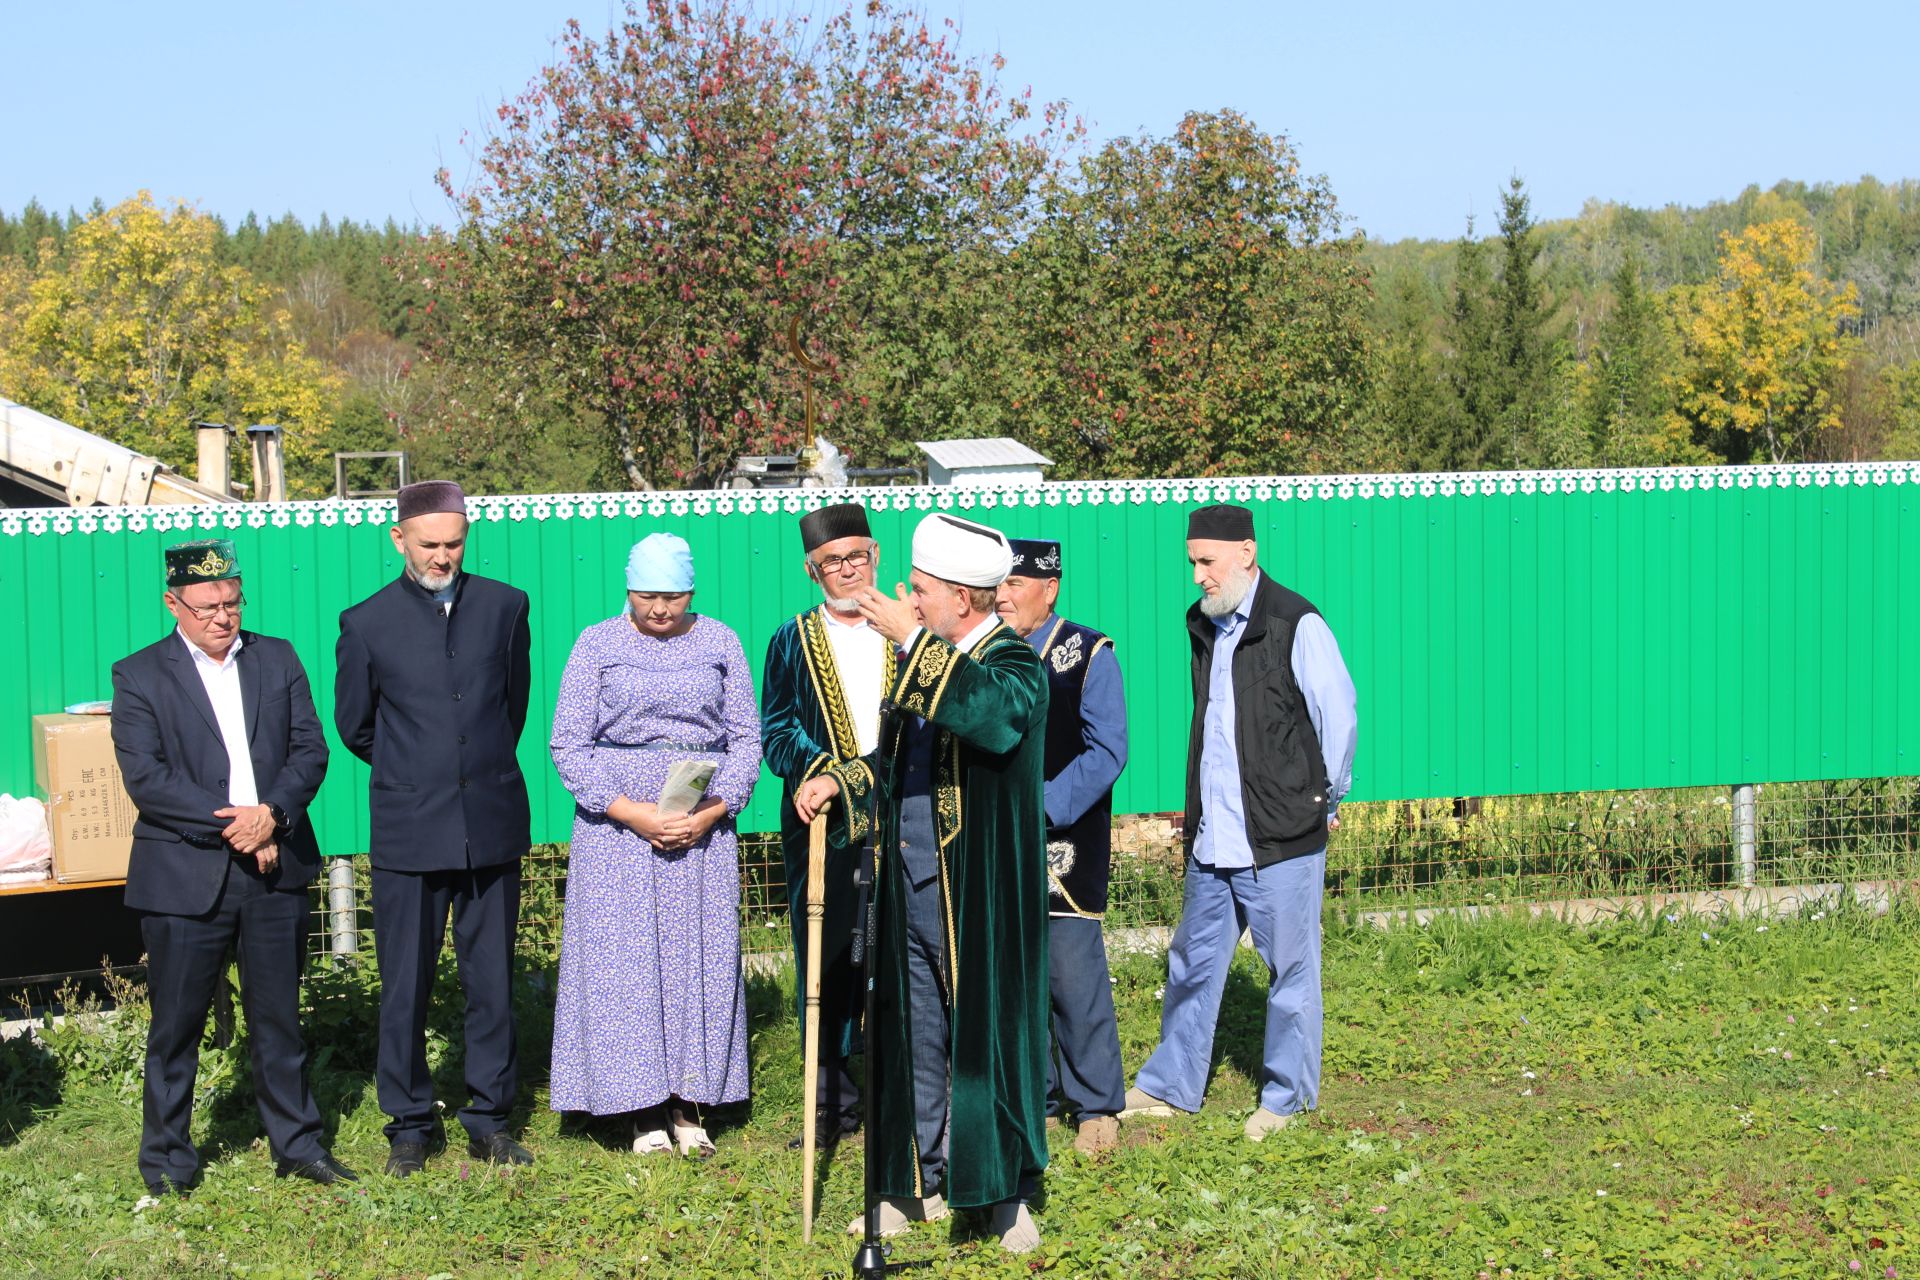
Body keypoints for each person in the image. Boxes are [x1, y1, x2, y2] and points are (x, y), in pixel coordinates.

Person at [794, 512, 1051, 1254]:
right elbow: (894, 764)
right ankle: (916, 1186)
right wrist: (843, 783)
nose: (907, 596)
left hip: (977, 890)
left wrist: (911, 639)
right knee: (913, 1037)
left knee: (985, 1039)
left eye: (924, 590)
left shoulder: (1012, 662)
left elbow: (995, 719)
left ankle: (1002, 1197)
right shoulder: (923, 657)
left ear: (962, 602)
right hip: (907, 880)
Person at [110, 539, 354, 1195]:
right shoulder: (139, 675)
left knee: (279, 1020)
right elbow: (149, 780)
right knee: (177, 1027)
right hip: (186, 879)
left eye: (233, 602)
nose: (224, 617)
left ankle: (298, 1146)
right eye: (208, 606)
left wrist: (272, 814)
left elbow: (310, 749)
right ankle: (167, 1163)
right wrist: (241, 825)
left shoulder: (276, 658)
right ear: (174, 604)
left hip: (274, 872)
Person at [1122, 504, 1357, 1141]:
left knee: (1291, 973)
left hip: (1281, 835)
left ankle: (1286, 1099)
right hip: (1214, 835)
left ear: (1246, 554)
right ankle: (1171, 1083)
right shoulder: (1204, 623)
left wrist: (1323, 802)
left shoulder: (1295, 623)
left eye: (1207, 562)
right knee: (1193, 962)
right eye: (1192, 562)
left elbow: (1339, 716)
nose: (1197, 575)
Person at [334, 480, 535, 1176]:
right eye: (430, 545)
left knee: (491, 982)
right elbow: (357, 727)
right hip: (409, 834)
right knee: (405, 986)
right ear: (399, 540)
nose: (443, 556)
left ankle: (488, 1117)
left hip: (491, 825)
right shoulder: (364, 623)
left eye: (454, 543)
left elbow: (512, 708)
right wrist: (420, 772)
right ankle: (410, 1125)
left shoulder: (506, 607)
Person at [548, 533, 761, 1157]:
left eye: (672, 596)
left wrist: (713, 810)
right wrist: (631, 813)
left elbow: (746, 739)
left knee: (699, 958)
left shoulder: (720, 642)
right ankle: (639, 1109)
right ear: (628, 589)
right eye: (646, 596)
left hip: (701, 826)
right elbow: (568, 744)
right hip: (617, 828)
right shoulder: (597, 644)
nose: (660, 609)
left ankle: (692, 1105)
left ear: (691, 592)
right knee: (624, 965)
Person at [759, 502, 891, 1145]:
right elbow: (777, 732)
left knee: (901, 948)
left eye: (857, 557)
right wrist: (824, 774)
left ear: (875, 557)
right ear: (813, 571)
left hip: (903, 810)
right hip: (824, 824)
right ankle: (834, 1100)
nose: (847, 570)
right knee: (828, 951)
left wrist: (860, 774)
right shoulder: (791, 640)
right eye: (832, 562)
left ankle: (903, 1090)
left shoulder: (908, 628)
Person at [995, 538, 1128, 1157]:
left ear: (1048, 589)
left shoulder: (1088, 653)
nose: (1002, 596)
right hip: (997, 841)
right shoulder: (988, 653)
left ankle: (1097, 1104)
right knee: (1017, 977)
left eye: (1015, 584)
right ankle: (1038, 1100)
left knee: (1073, 976)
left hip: (1064, 842)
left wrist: (1042, 806)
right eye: (998, 585)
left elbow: (1108, 751)